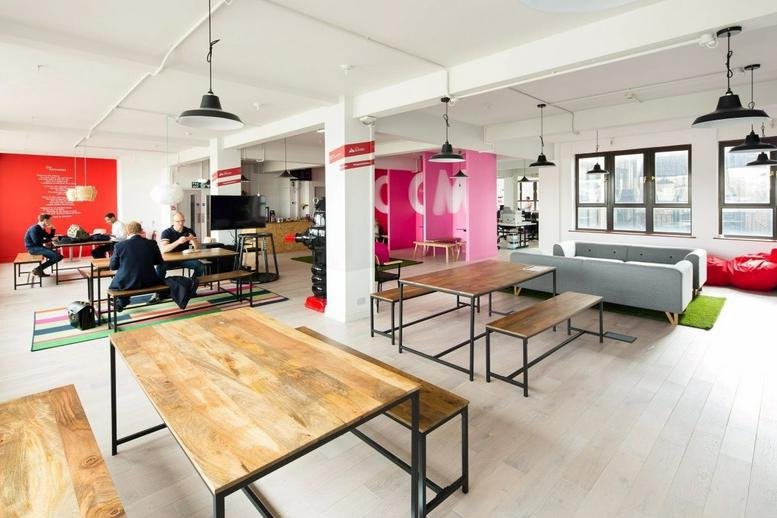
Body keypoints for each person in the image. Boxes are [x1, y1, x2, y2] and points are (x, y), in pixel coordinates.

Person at [108, 221, 164, 311]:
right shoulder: (152, 243)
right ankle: (122, 302)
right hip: (149, 281)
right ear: (141, 230)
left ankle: (122, 302)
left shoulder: (119, 246)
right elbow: (158, 262)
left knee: (123, 278)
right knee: (130, 274)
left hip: (128, 283)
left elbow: (113, 267)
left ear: (127, 232)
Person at [156, 212, 204, 279]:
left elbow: (197, 248)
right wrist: (178, 242)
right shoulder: (166, 232)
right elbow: (164, 249)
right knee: (160, 267)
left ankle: (191, 283)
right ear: (173, 222)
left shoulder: (189, 230)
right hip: (170, 260)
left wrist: (193, 240)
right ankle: (160, 287)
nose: (181, 223)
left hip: (185, 259)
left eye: (182, 221)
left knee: (200, 266)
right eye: (178, 221)